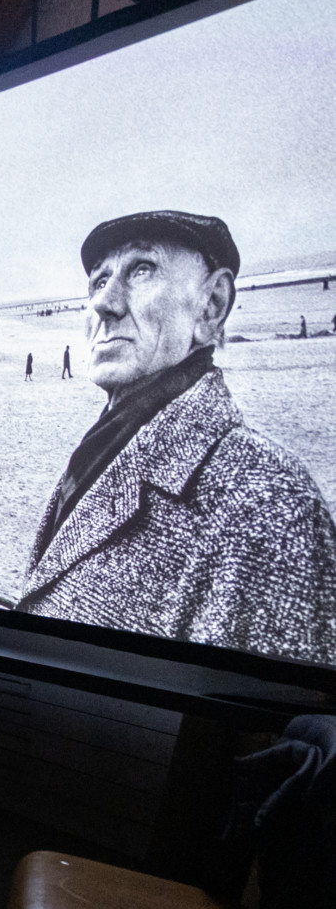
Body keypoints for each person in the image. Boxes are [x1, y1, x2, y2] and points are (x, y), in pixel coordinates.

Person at [17, 210, 336, 664]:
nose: (104, 303)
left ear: (211, 306)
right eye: (99, 281)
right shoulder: (103, 448)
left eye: (142, 270)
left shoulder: (269, 503)